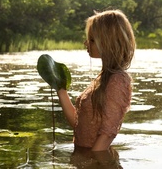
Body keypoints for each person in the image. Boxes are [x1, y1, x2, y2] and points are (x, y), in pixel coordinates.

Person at [57, 9, 136, 152]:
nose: (86, 43)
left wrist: (91, 162)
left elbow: (107, 135)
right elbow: (79, 124)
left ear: (108, 42)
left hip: (97, 162)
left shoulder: (118, 80)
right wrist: (61, 91)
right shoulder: (103, 79)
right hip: (84, 156)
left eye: (92, 40)